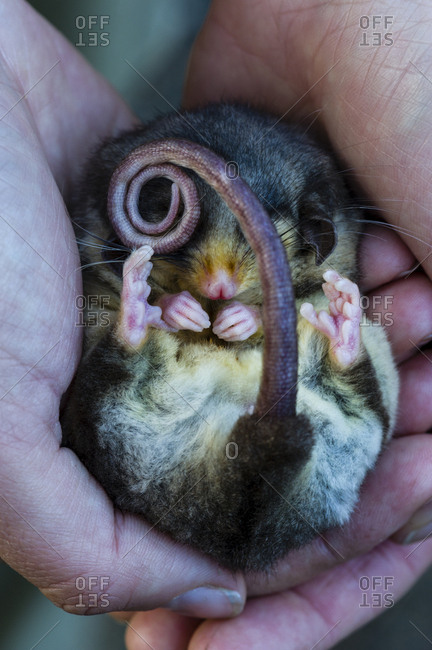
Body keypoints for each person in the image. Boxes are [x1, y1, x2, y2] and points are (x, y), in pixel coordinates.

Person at [0, 1, 431, 648]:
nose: (216, 286)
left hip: (240, 448)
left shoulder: (307, 236)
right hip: (201, 452)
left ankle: (307, 386)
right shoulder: (128, 229)